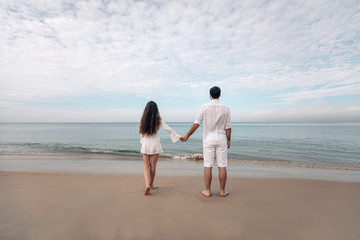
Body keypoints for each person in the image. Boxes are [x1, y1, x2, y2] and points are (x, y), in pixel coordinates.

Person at [181, 86, 231, 197]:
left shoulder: (204, 107)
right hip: (221, 138)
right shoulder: (226, 108)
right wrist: (229, 140)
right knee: (222, 165)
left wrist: (187, 136)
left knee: (208, 165)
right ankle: (222, 191)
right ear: (220, 95)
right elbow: (228, 127)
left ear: (210, 95)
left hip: (208, 139)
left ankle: (207, 191)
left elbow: (196, 124)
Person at [139, 101, 181, 195]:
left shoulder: (143, 119)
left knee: (146, 166)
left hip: (145, 143)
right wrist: (178, 136)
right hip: (155, 144)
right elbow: (168, 129)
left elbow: (141, 133)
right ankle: (151, 184)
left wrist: (142, 143)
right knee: (153, 166)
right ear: (156, 109)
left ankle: (146, 185)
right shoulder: (158, 119)